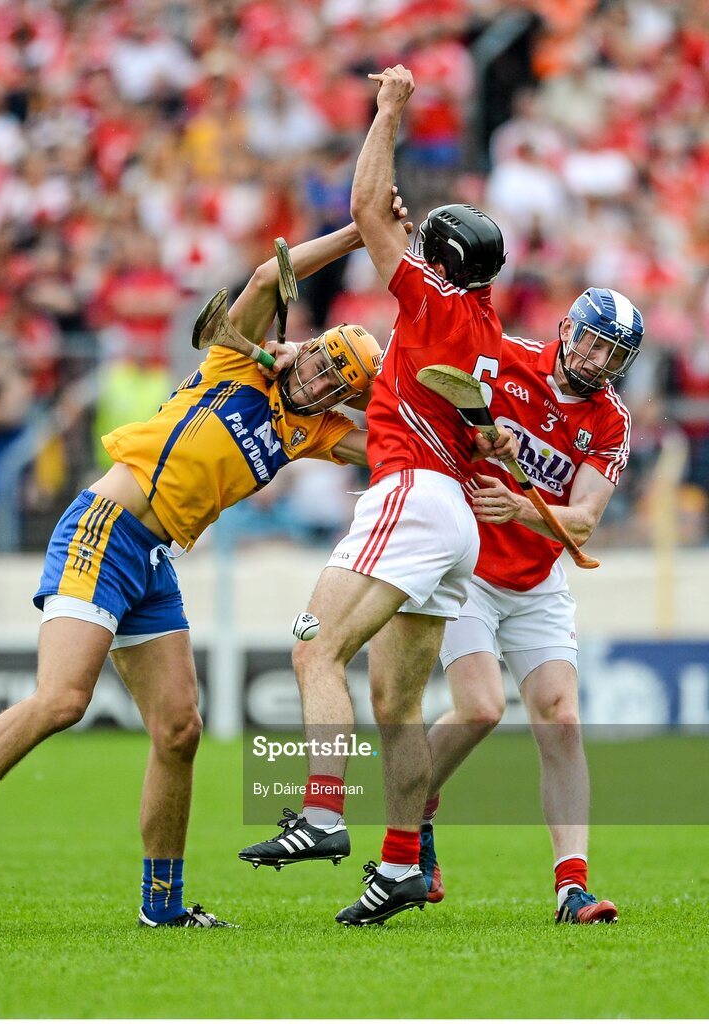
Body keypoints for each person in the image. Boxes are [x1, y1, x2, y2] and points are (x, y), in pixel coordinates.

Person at [0, 220, 387, 930]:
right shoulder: (235, 364)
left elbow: (396, 439)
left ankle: (163, 907)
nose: (314, 377)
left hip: (154, 559)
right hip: (103, 527)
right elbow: (262, 280)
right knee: (63, 699)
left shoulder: (316, 431)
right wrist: (357, 234)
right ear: (303, 348)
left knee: (180, 729)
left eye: (334, 380)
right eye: (316, 360)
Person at [239, 65, 518, 927]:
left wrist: (389, 108)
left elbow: (366, 211)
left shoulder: (431, 303)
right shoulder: (485, 331)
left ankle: (323, 815)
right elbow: (446, 414)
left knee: (315, 651)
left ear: (438, 263)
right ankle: (401, 865)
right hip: (454, 521)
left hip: (410, 498)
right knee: (398, 704)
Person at [419, 286, 643, 925]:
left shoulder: (610, 420)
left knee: (562, 719)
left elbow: (584, 521)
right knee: (482, 707)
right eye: (593, 341)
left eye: (613, 353)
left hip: (537, 581)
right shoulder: (504, 359)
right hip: (467, 568)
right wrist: (480, 445)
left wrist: (523, 506)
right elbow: (434, 398)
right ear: (567, 328)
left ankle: (571, 887)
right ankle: (417, 805)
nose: (598, 359)